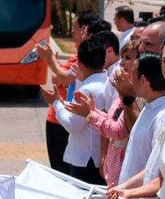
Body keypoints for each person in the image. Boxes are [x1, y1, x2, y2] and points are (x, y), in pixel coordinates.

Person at [66, 40, 139, 188]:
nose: (122, 62)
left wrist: (90, 114)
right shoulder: (121, 90)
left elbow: (119, 131)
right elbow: (111, 120)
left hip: (125, 165)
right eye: (122, 57)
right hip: (113, 165)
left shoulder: (136, 95)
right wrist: (93, 112)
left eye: (129, 58)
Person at [37, 10, 99, 173]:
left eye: (75, 28)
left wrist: (50, 59)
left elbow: (60, 79)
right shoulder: (79, 57)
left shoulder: (84, 59)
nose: (73, 33)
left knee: (63, 174)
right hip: (62, 116)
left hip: (64, 119)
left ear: (85, 30)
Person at [40, 38, 108, 184]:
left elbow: (72, 125)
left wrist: (55, 103)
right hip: (93, 157)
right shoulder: (104, 82)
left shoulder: (88, 89)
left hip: (85, 160)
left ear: (81, 63)